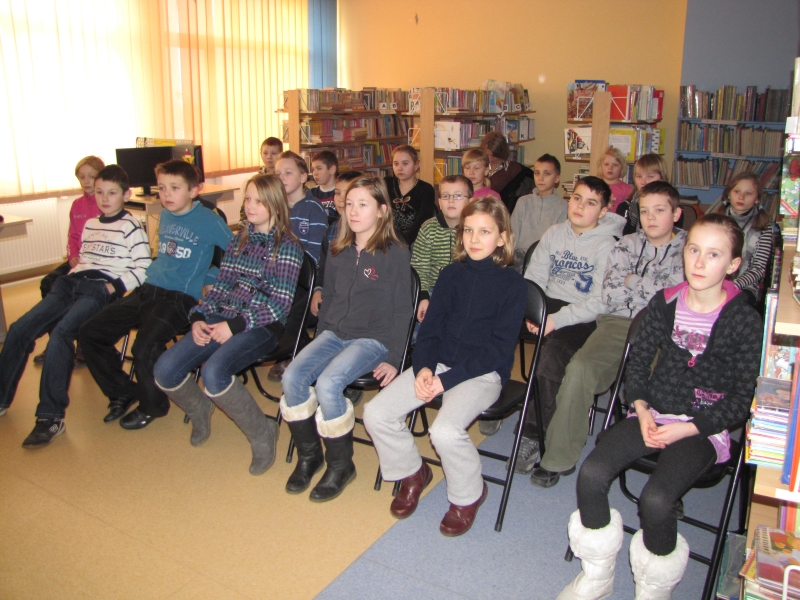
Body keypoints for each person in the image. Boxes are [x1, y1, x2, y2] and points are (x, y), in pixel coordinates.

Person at [559, 213, 762, 600]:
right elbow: (637, 364)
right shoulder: (665, 302)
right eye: (694, 250)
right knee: (591, 473)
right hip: (652, 414)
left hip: (702, 427)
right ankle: (598, 576)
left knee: (656, 499)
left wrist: (689, 427)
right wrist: (640, 407)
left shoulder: (743, 320)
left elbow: (741, 399)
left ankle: (654, 588)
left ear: (733, 264)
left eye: (714, 254)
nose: (699, 262)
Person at [363, 196, 526, 537]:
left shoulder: (512, 284)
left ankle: (469, 495)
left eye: (485, 231)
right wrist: (424, 368)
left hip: (481, 373)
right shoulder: (451, 274)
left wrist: (446, 380)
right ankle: (413, 472)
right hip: (438, 364)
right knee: (376, 413)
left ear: (502, 238)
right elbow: (431, 331)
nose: (474, 239)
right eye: (468, 230)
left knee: (444, 432)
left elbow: (497, 351)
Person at [531, 181, 686, 488]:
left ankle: (670, 480)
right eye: (645, 211)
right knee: (579, 369)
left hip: (669, 327)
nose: (650, 218)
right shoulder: (624, 245)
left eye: (659, 210)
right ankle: (558, 457)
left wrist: (632, 281)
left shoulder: (689, 249)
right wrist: (650, 288)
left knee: (673, 386)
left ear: (676, 214)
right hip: (619, 322)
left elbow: (676, 298)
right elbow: (611, 294)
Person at [154, 174, 303, 475]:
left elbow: (279, 305)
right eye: (248, 199)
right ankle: (200, 407)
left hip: (263, 325)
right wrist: (199, 316)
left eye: (259, 201)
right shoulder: (239, 239)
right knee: (165, 370)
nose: (250, 206)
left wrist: (234, 326)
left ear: (276, 205)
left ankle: (263, 432)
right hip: (224, 315)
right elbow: (221, 288)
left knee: (214, 372)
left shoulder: (287, 246)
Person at [279, 175, 413, 502]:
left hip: (373, 339)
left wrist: (394, 358)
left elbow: (402, 310)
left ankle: (341, 466)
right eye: (349, 203)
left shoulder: (395, 252)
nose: (352, 211)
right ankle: (310, 456)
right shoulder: (337, 247)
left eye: (363, 204)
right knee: (292, 376)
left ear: (382, 210)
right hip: (335, 332)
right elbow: (331, 299)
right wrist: (320, 339)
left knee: (328, 384)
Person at [0, 165, 151, 447]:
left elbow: (145, 268)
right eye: (100, 192)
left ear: (126, 195)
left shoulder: (130, 226)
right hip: (70, 284)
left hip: (99, 289)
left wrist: (114, 287)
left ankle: (50, 418)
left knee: (61, 335)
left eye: (112, 193)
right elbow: (85, 258)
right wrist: (70, 276)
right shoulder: (91, 224)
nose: (104, 198)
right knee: (20, 329)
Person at [79, 160, 233, 429]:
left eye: (174, 188)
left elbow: (238, 253)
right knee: (89, 333)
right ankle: (123, 391)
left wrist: (208, 277)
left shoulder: (209, 219)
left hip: (179, 297)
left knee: (144, 347)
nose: (166, 194)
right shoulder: (165, 214)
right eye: (162, 188)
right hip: (149, 288)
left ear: (193, 191)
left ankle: (153, 406)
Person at [512, 176, 625, 474]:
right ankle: (495, 399)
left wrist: (554, 321)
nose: (580, 206)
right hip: (546, 304)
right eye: (577, 198)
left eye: (591, 203)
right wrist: (533, 313)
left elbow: (599, 302)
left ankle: (533, 433)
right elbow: (534, 279)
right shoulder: (554, 233)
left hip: (582, 315)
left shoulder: (608, 246)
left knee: (551, 358)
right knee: (494, 330)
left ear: (603, 211)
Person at [34, 155, 106, 367]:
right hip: (78, 259)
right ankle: (58, 343)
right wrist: (72, 255)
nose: (86, 181)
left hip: (97, 262)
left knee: (83, 291)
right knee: (49, 283)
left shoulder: (105, 203)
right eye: (82, 177)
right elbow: (73, 235)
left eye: (91, 176)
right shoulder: (77, 205)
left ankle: (84, 344)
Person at [267, 151, 329, 382]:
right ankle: (296, 347)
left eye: (288, 172)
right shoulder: (275, 207)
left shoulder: (313, 209)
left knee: (287, 306)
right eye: (278, 173)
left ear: (303, 177)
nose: (281, 177)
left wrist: (286, 269)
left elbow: (314, 255)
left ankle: (293, 351)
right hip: (277, 275)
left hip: (302, 279)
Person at [411, 174, 472, 328]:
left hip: (465, 291)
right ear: (439, 202)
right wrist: (423, 296)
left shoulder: (473, 230)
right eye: (445, 196)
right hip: (433, 290)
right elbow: (420, 266)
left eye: (458, 196)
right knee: (422, 329)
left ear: (470, 201)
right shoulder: (428, 228)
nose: (451, 200)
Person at [310, 170, 363, 318]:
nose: (340, 199)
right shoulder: (331, 231)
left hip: (354, 300)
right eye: (337, 193)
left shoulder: (363, 233)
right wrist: (318, 290)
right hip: (330, 292)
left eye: (347, 194)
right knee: (297, 314)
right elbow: (322, 268)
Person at [715, 172, 773, 302]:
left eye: (748, 193)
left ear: (757, 199)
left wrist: (732, 285)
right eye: (737, 191)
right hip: (713, 282)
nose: (741, 197)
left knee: (730, 306)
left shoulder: (764, 227)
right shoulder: (715, 222)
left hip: (744, 287)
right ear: (728, 195)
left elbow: (757, 269)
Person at [509, 153, 568, 272]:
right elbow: (512, 234)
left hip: (545, 259)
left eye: (547, 174)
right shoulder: (523, 202)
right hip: (519, 258)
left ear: (557, 178)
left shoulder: (563, 206)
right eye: (537, 173)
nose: (540, 178)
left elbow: (560, 242)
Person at [383, 144, 435, 245]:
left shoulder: (426, 189)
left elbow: (422, 221)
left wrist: (404, 242)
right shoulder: (387, 183)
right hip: (387, 238)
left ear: (416, 165)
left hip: (415, 240)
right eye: (396, 164)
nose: (400, 168)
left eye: (405, 164)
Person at [480, 130, 533, 214]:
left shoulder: (515, 170)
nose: (490, 159)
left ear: (501, 153)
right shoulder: (479, 166)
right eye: (487, 154)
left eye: (494, 156)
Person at [616, 153, 669, 236]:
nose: (643, 182)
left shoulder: (670, 208)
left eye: (650, 176)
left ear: (662, 178)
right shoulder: (624, 207)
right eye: (639, 176)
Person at [597, 146, 632, 213]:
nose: (610, 168)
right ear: (601, 166)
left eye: (615, 165)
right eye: (606, 164)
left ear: (622, 168)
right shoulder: (594, 186)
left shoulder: (628, 190)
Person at [309, 150, 339, 217]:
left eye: (319, 168)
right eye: (313, 169)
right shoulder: (311, 193)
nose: (315, 173)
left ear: (332, 169)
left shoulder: (341, 192)